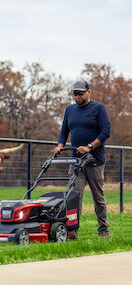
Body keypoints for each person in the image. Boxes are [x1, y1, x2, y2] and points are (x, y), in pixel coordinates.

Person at [53, 80, 110, 239]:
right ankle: (71, 230)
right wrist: (60, 145)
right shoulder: (70, 110)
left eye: (80, 93)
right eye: (75, 93)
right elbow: (64, 131)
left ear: (89, 92)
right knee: (73, 197)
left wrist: (90, 146)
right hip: (76, 162)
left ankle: (103, 230)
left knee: (98, 198)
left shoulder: (99, 108)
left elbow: (106, 132)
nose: (77, 96)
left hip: (94, 161)